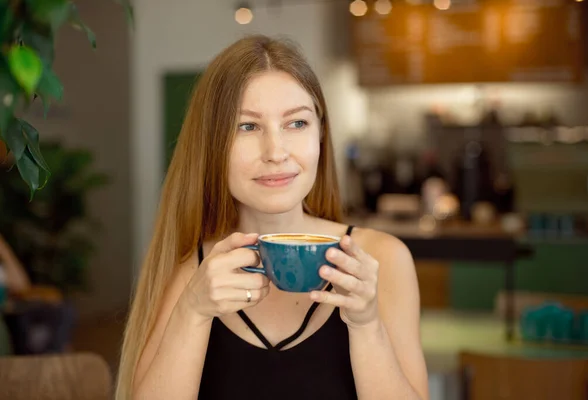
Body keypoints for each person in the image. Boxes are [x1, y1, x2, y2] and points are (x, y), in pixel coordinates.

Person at [116, 35, 428, 400]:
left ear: (321, 134)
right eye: (247, 127)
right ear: (212, 145)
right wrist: (193, 310)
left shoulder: (383, 260)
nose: (276, 152)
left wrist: (366, 325)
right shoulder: (192, 270)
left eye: (296, 124)